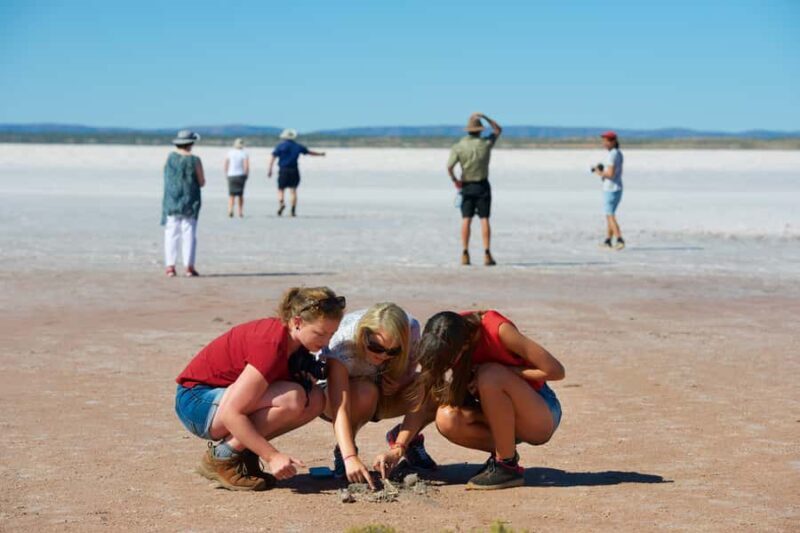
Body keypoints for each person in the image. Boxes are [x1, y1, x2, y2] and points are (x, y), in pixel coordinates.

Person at [174, 287, 346, 491]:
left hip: (216, 399)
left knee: (315, 399)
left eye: (332, 334)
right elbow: (231, 413)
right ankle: (221, 458)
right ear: (297, 322)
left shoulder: (296, 343)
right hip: (196, 402)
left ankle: (243, 453)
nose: (326, 342)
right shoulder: (271, 343)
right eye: (320, 333)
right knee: (293, 398)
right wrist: (272, 456)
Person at [395, 310, 565, 490]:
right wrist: (399, 446)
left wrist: (506, 372)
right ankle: (505, 452)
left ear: (466, 344)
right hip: (503, 418)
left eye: (450, 362)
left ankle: (506, 466)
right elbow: (423, 398)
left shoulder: (496, 330)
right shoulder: (445, 335)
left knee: (490, 375)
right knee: (447, 419)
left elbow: (555, 371)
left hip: (540, 413)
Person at [318, 303, 438, 488]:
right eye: (376, 347)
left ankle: (405, 439)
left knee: (435, 389)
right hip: (337, 396)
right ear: (363, 335)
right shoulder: (342, 341)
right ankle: (344, 448)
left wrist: (400, 382)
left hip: (380, 389)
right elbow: (339, 405)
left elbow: (412, 373)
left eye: (393, 351)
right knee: (366, 392)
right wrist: (349, 456)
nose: (383, 356)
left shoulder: (410, 328)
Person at [447, 113, 502, 266]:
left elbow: (449, 167)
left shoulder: (458, 146)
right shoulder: (486, 143)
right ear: (480, 130)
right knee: (484, 219)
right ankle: (487, 253)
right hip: (482, 185)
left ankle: (465, 253)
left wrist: (455, 181)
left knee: (466, 219)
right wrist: (484, 116)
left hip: (466, 186)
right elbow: (498, 129)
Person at [161, 130, 205, 277]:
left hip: (172, 200)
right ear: (191, 143)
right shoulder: (195, 160)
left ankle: (170, 267)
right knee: (189, 233)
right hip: (190, 201)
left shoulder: (170, 157)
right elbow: (202, 182)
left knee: (171, 233)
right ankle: (189, 267)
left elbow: (166, 175)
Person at [267, 129, 326, 217]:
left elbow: (273, 156)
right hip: (294, 170)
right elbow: (309, 152)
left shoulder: (280, 146)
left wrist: (270, 169)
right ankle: (293, 210)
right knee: (293, 190)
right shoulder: (297, 146)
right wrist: (320, 154)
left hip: (283, 170)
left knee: (281, 189)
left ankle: (281, 203)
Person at [593, 131, 625, 250]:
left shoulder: (612, 154)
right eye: (604, 141)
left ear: (613, 142)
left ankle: (619, 239)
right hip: (617, 188)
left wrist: (599, 172)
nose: (604, 143)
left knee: (610, 215)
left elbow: (610, 174)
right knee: (609, 214)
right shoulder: (618, 153)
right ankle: (608, 240)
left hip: (611, 189)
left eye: (606, 141)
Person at [224, 138, 250, 218]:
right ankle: (240, 212)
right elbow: (246, 166)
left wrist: (226, 173)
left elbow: (226, 164)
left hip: (231, 175)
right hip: (240, 175)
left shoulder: (230, 153)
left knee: (231, 195)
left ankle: (230, 210)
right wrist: (246, 174)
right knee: (240, 195)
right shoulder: (244, 153)